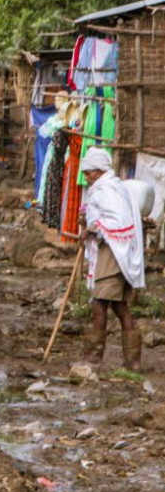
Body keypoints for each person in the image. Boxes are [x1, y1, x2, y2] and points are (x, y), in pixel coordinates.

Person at [78, 148, 146, 371]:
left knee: (100, 304)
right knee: (119, 307)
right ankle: (132, 362)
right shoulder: (113, 187)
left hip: (113, 254)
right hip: (117, 252)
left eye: (88, 173)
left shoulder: (106, 191)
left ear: (98, 171)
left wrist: (91, 228)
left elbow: (116, 221)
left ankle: (93, 360)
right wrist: (87, 221)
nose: (86, 177)